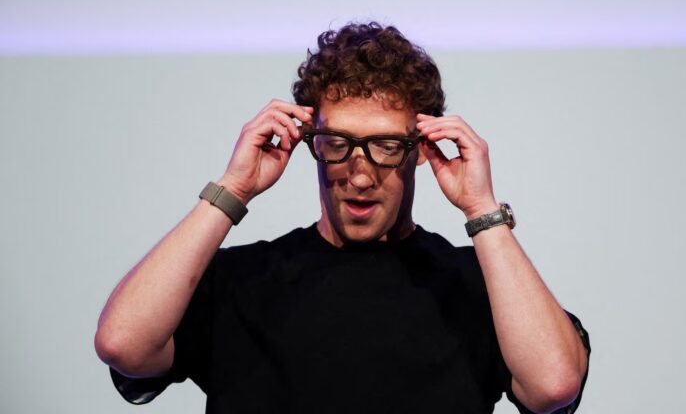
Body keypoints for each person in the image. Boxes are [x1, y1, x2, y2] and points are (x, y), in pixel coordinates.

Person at [94, 22, 590, 414]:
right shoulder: (240, 281)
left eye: (386, 145)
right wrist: (233, 189)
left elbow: (553, 386)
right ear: (310, 141)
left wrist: (482, 209)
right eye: (338, 144)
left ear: (421, 149)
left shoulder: (477, 287)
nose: (360, 175)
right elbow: (123, 345)